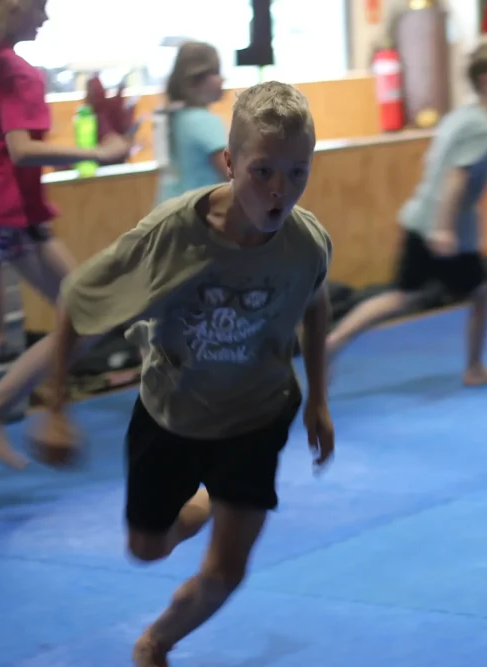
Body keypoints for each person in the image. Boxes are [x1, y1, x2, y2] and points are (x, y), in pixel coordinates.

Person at [31, 80, 336, 665]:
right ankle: (200, 503)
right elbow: (77, 298)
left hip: (257, 415)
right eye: (263, 172)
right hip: (172, 413)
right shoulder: (169, 237)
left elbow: (316, 302)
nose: (280, 193)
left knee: (226, 571)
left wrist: (319, 399)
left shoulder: (305, 243)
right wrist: (54, 405)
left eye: (297, 173)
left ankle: (157, 641)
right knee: (146, 549)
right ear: (229, 163)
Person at [0, 0, 132, 468]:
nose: (45, 17)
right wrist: (101, 152)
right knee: (91, 313)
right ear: (12, 7)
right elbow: (21, 150)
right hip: (11, 212)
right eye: (39, 6)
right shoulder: (18, 72)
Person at [325, 36, 487, 386]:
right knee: (479, 292)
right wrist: (443, 229)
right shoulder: (480, 126)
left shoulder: (461, 117)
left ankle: (333, 341)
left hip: (422, 220)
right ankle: (474, 368)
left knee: (404, 295)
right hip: (441, 229)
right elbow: (454, 178)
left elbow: (437, 166)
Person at [153, 41, 229, 203]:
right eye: (216, 72)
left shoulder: (172, 117)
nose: (223, 78)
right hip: (195, 217)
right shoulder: (205, 122)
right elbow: (232, 173)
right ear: (195, 80)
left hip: (167, 212)